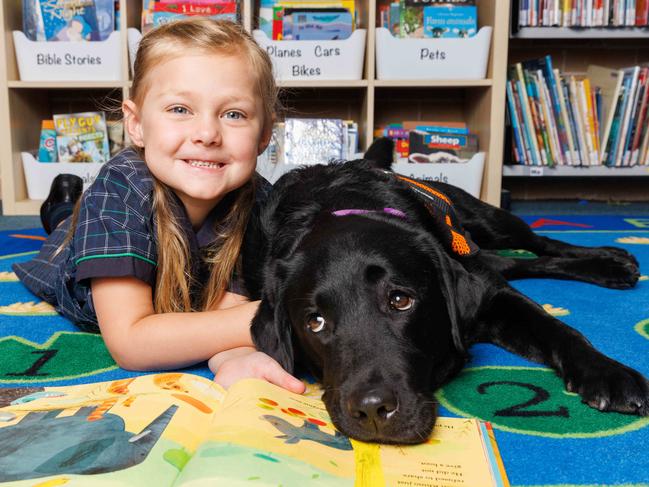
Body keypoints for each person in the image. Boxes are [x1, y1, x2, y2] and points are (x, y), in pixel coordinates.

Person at [13, 18, 304, 394]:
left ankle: (64, 207)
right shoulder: (120, 187)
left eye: (234, 114)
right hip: (72, 254)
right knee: (66, 227)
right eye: (180, 109)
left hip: (152, 248)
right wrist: (272, 314)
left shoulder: (260, 202)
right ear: (136, 124)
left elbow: (217, 320)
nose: (207, 134)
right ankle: (63, 209)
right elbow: (131, 343)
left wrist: (232, 358)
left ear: (264, 133)